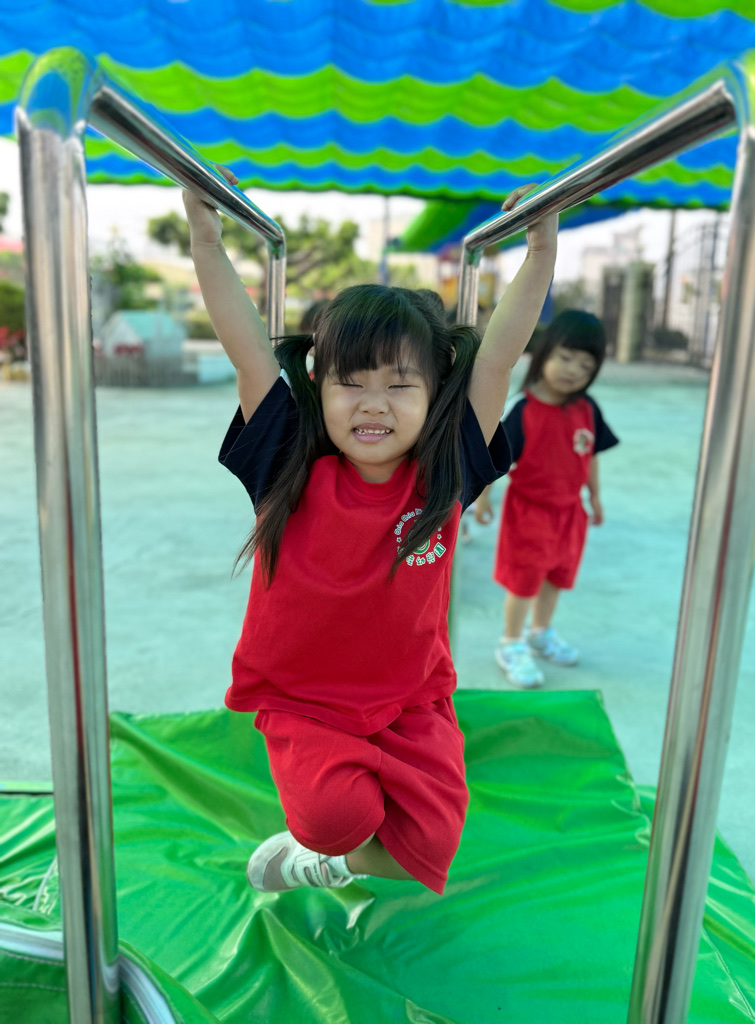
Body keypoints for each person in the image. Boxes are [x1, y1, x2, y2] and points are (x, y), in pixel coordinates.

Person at [183, 168, 557, 895]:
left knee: (430, 850)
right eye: (350, 383)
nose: (373, 404)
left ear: (434, 392)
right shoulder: (287, 464)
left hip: (410, 702)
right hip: (306, 701)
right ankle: (319, 848)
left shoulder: (444, 473)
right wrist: (206, 240)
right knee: (336, 817)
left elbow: (499, 358)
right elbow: (247, 350)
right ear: (318, 388)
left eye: (399, 384)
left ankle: (324, 866)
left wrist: (539, 254)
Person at [473, 311, 619, 689]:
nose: (573, 371)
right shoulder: (524, 409)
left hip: (570, 512)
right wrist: (483, 499)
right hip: (530, 512)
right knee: (524, 580)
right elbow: (496, 458)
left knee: (557, 574)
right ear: (544, 353)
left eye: (585, 365)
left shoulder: (587, 409)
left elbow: (591, 455)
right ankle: (511, 642)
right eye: (565, 358)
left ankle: (540, 633)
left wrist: (595, 496)